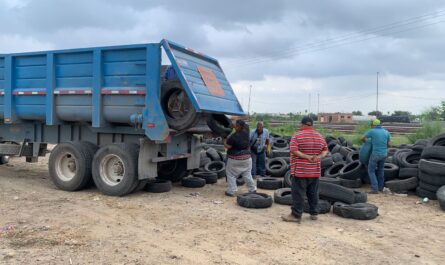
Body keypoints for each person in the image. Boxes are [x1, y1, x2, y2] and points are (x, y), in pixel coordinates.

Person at [282, 116, 328, 223]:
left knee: (298, 193)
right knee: (313, 193)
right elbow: (325, 150)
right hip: (315, 171)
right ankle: (314, 213)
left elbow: (294, 150)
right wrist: (318, 157)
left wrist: (306, 157)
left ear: (302, 124)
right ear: (312, 125)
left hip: (300, 171)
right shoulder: (319, 136)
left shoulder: (297, 136)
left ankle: (296, 215)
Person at [224, 120, 257, 197]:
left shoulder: (233, 136)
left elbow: (228, 146)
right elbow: (244, 125)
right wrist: (234, 125)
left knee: (230, 174)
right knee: (247, 174)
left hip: (235, 159)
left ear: (239, 126)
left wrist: (224, 140)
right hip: (247, 158)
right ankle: (252, 189)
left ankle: (231, 191)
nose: (235, 125)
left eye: (236, 125)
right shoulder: (246, 132)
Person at [360, 119, 391, 194]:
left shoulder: (372, 131)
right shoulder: (386, 132)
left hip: (375, 154)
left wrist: (366, 143)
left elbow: (362, 138)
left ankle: (375, 189)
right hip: (384, 154)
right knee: (381, 170)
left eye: (372, 125)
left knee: (371, 170)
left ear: (373, 125)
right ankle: (380, 187)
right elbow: (389, 145)